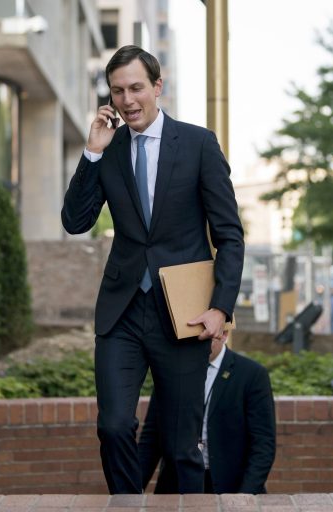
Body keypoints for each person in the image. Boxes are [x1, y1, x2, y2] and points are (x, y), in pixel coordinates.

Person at [61, 45, 244, 494]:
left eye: (136, 87)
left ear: (158, 87)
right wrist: (92, 153)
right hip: (122, 313)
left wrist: (220, 309)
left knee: (183, 447)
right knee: (115, 426)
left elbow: (230, 236)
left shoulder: (198, 144)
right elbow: (75, 221)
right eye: (118, 90)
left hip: (183, 317)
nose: (127, 100)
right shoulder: (109, 150)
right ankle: (128, 504)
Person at [138, 338, 276, 494]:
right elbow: (152, 436)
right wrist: (135, 486)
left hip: (231, 487)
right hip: (177, 486)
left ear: (223, 334)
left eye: (205, 335)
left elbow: (263, 444)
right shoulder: (171, 372)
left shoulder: (252, 374)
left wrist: (245, 495)